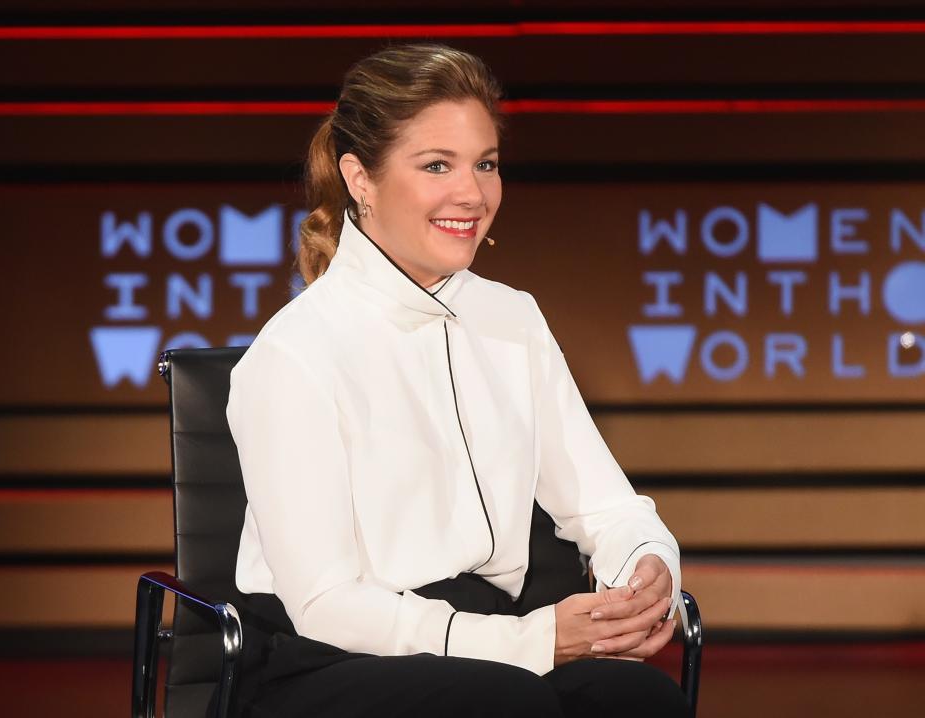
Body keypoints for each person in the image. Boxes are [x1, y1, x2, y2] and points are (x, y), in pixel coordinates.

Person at [226, 43, 690, 717]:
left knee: (639, 702)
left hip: (499, 630)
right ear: (360, 179)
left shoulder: (513, 318)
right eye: (437, 165)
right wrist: (533, 640)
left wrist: (644, 571)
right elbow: (326, 604)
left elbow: (604, 508)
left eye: (486, 164)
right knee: (507, 704)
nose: (472, 194)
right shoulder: (295, 352)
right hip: (332, 655)